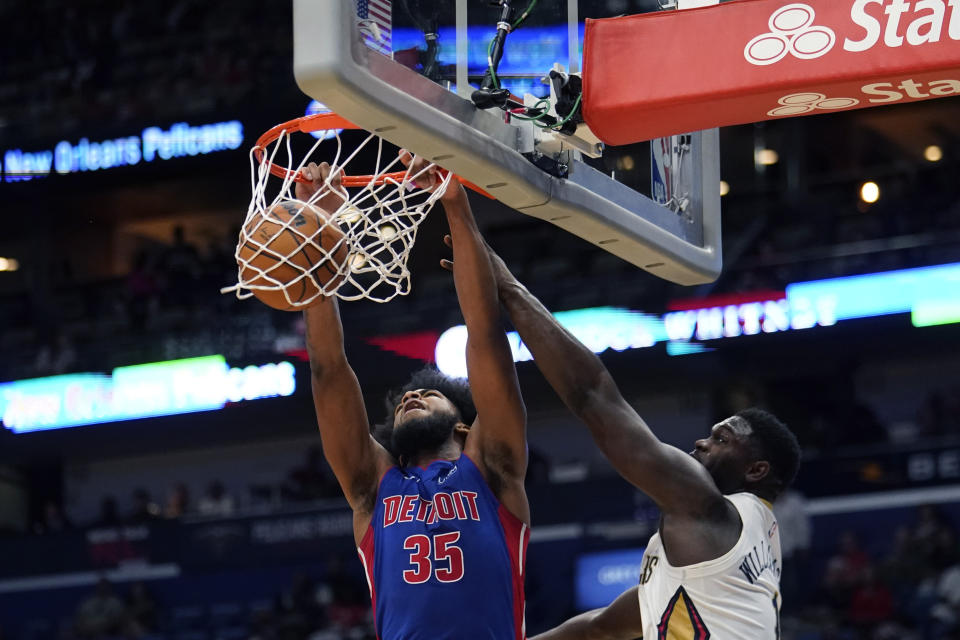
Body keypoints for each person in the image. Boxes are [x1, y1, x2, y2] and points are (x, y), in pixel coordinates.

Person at [480, 249, 800, 639]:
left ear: (756, 469)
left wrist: (510, 290)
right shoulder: (735, 558)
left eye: (721, 439)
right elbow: (600, 628)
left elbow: (592, 395)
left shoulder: (711, 512)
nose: (701, 442)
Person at [301, 155, 530, 639]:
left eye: (428, 394)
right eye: (407, 397)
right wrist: (319, 241)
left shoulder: (492, 465)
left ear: (465, 425)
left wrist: (454, 202)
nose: (411, 398)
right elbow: (327, 369)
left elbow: (485, 334)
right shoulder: (374, 487)